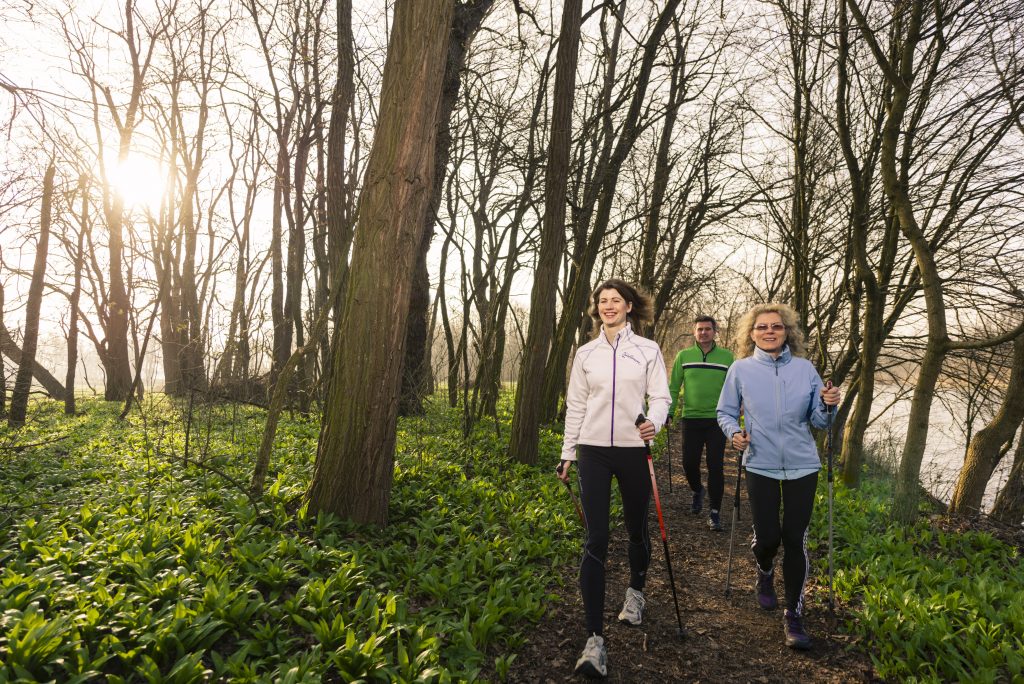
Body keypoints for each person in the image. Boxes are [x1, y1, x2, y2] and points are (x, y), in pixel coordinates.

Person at [557, 279, 671, 679]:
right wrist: (568, 453)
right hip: (592, 450)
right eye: (602, 301)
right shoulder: (586, 353)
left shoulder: (647, 350)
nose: (608, 306)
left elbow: (661, 397)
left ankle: (635, 592)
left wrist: (654, 422)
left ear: (628, 306)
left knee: (637, 529)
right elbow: (576, 404)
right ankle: (594, 640)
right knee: (597, 539)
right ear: (597, 308)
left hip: (632, 449)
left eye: (615, 300)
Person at [715, 303, 840, 650]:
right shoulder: (740, 369)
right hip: (760, 462)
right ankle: (765, 570)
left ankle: (794, 614)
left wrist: (829, 404)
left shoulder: (805, 369)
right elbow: (724, 412)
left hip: (803, 464)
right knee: (768, 538)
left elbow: (820, 421)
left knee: (794, 538)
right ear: (751, 333)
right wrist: (734, 434)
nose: (769, 331)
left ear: (787, 332)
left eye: (776, 326)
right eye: (762, 327)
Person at [668, 315, 734, 530]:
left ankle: (714, 513)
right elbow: (674, 387)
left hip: (718, 420)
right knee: (689, 463)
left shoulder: (727, 357)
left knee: (715, 465)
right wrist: (669, 412)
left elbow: (734, 387)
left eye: (707, 329)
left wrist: (737, 409)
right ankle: (697, 490)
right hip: (691, 418)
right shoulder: (684, 356)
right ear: (694, 332)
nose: (703, 332)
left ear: (715, 332)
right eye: (700, 329)